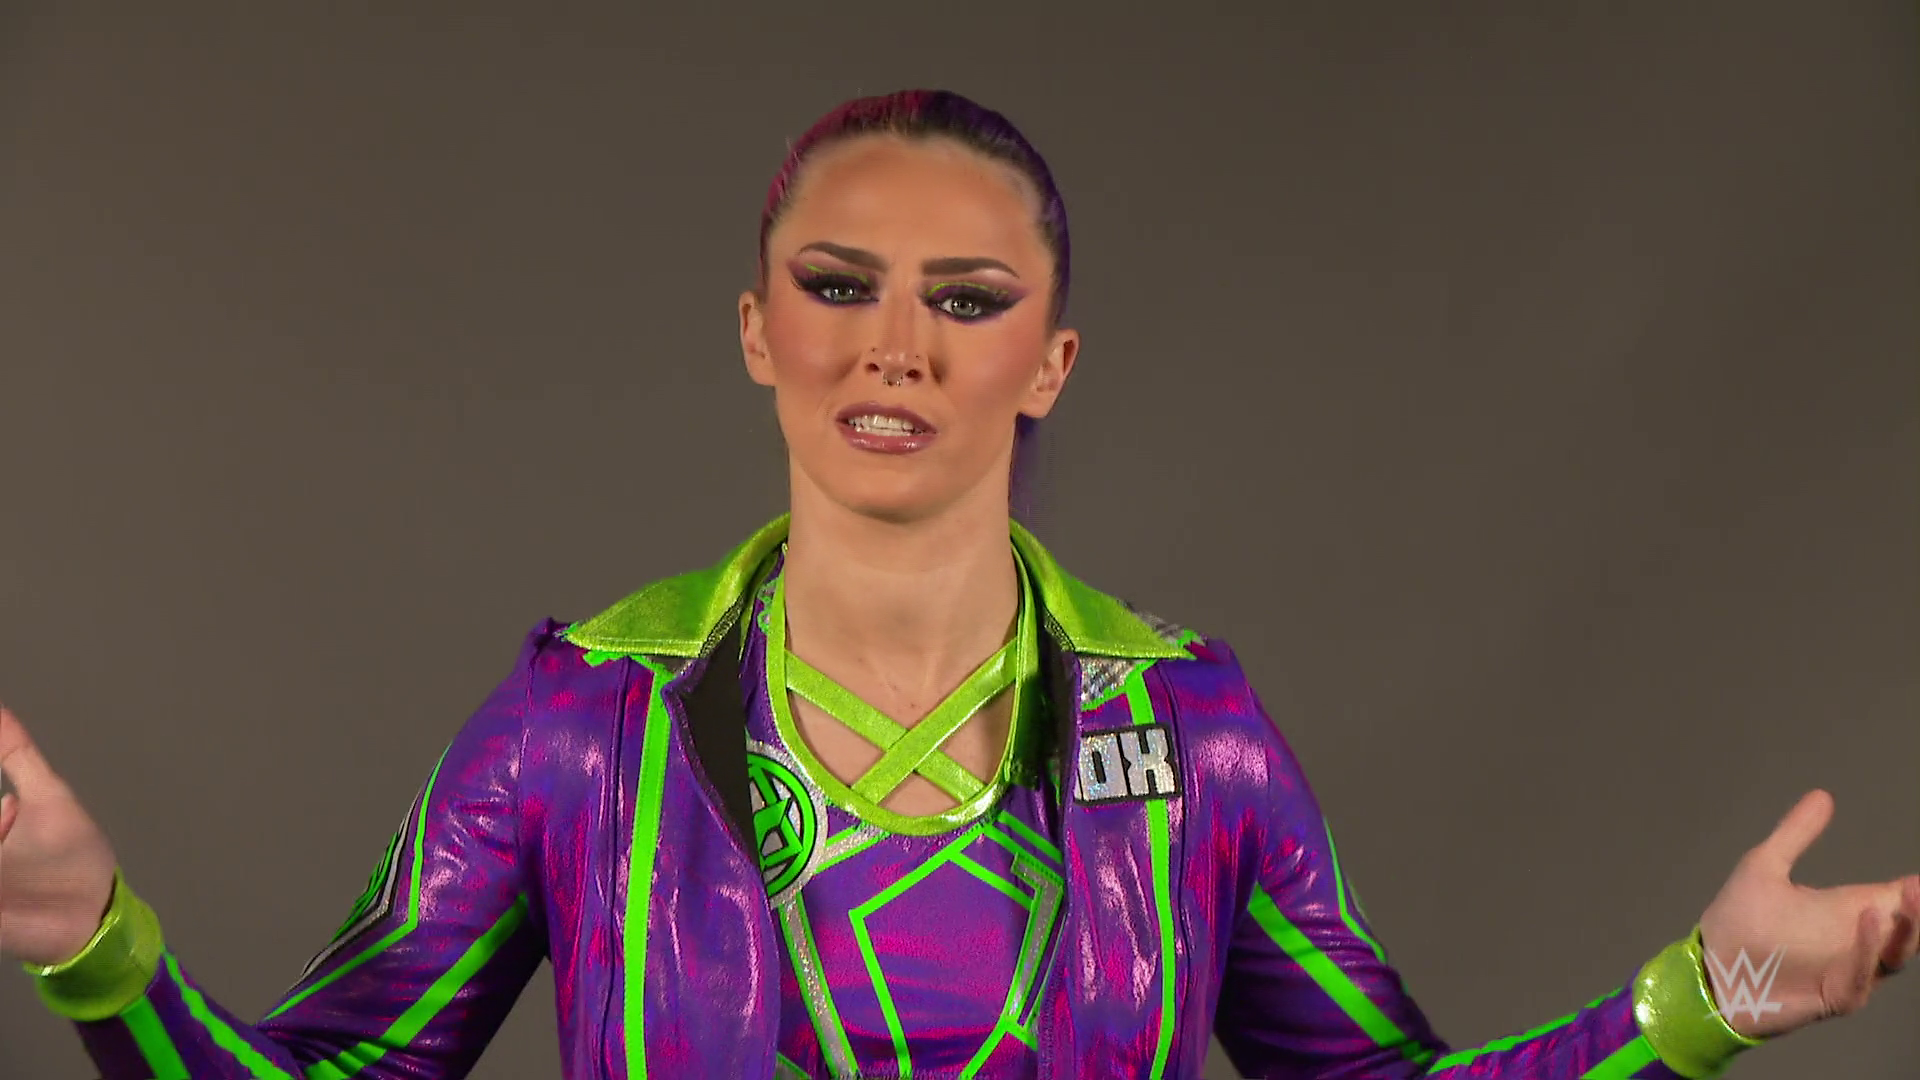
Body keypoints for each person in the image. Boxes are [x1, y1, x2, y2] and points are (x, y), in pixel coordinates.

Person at [2, 89, 1914, 1080]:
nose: (895, 347)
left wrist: (1715, 994)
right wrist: (95, 934)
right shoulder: (583, 721)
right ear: (758, 331)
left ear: (1050, 362)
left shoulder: (1193, 738)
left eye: (968, 300)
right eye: (838, 286)